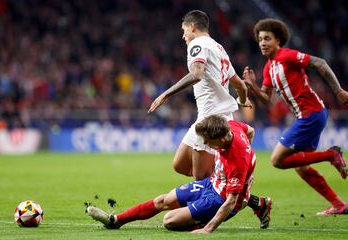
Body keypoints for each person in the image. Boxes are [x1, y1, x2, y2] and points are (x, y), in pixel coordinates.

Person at [86, 115, 272, 232]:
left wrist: (207, 230)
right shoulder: (231, 126)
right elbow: (251, 130)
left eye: (209, 142)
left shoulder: (237, 159)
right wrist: (248, 162)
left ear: (222, 139)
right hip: (211, 183)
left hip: (220, 199)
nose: (206, 145)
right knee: (163, 201)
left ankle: (201, 221)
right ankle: (116, 221)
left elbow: (231, 202)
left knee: (169, 221)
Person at [243, 18, 348, 215]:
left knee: (277, 160)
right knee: (302, 167)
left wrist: (339, 91)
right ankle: (338, 204)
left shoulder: (287, 56)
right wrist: (252, 86)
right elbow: (267, 100)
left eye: (267, 38)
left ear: (278, 40)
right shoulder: (269, 67)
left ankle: (331, 155)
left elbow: (320, 63)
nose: (263, 43)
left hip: (311, 114)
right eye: (260, 39)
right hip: (309, 117)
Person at [148, 10, 252, 180]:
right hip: (212, 116)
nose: (183, 36)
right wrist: (242, 100)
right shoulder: (219, 48)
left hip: (211, 120)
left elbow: (197, 74)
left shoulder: (197, 45)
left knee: (200, 179)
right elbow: (239, 84)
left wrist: (166, 94)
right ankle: (221, 182)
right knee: (180, 164)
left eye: (184, 31)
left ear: (192, 26)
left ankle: (231, 194)